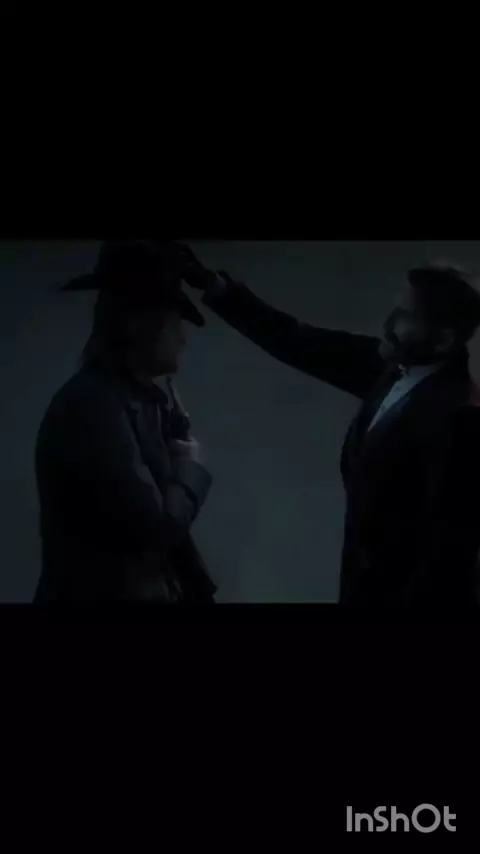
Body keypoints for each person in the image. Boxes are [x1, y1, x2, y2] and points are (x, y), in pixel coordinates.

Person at [184, 258, 480, 608]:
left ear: (443, 340)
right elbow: (298, 340)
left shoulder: (460, 418)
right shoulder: (392, 372)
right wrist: (214, 286)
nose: (387, 324)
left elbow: (448, 555)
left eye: (405, 317)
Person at [34, 240, 216, 602]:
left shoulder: (131, 400)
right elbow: (156, 526)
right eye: (175, 323)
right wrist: (189, 466)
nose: (182, 338)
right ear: (139, 324)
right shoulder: (93, 407)